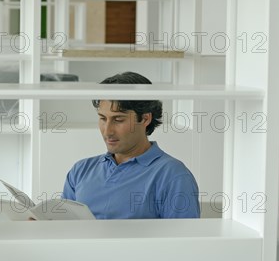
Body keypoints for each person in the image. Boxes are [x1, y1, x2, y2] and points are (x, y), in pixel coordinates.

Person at [62, 72, 200, 219]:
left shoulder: (173, 176)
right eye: (103, 118)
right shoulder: (80, 171)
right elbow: (64, 232)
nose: (107, 131)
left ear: (145, 118)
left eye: (118, 119)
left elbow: (184, 241)